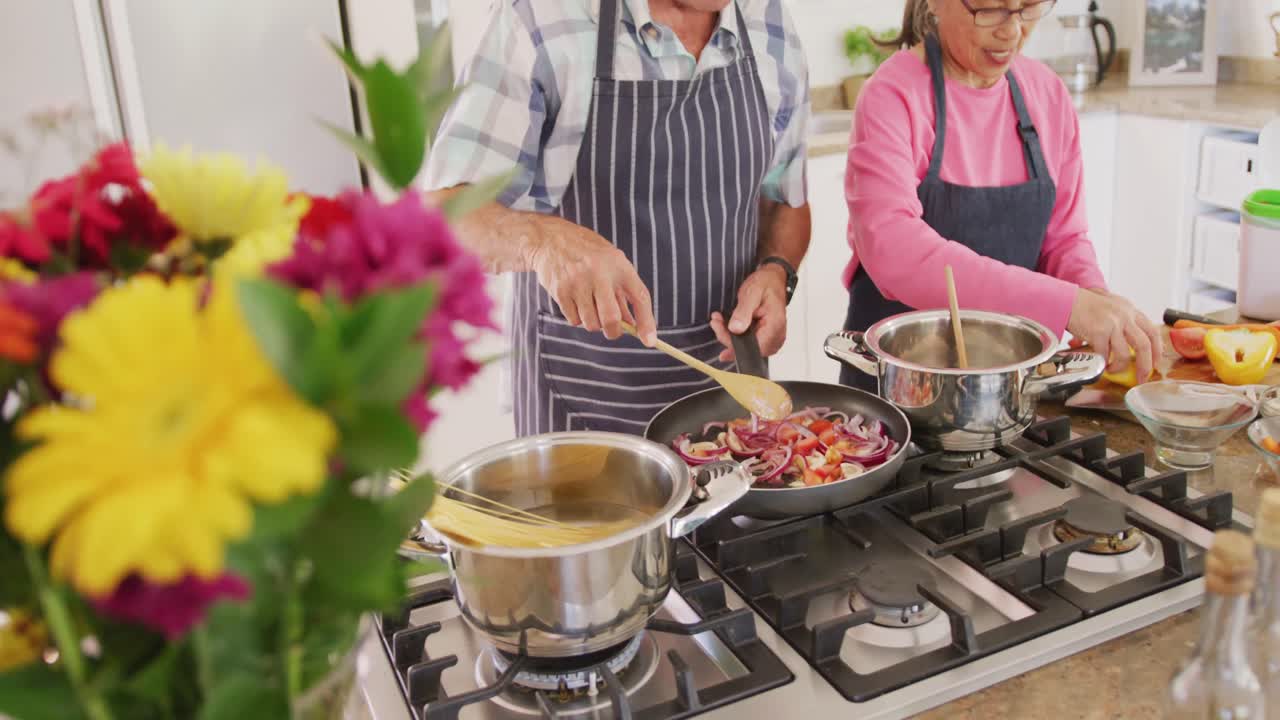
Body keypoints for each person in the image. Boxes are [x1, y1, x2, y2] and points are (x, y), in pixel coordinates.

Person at [425, 0, 811, 436]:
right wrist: (542, 240)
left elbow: (784, 200)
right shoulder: (539, 21)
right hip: (582, 405)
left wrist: (778, 273)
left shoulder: (767, 19)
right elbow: (445, 213)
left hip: (731, 404)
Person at [841, 0, 1162, 389]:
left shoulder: (1047, 94)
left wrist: (1094, 299)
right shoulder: (892, 96)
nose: (1012, 31)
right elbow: (895, 251)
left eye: (1028, 7)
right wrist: (1068, 304)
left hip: (1006, 392)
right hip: (896, 390)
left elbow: (1063, 239)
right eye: (990, 9)